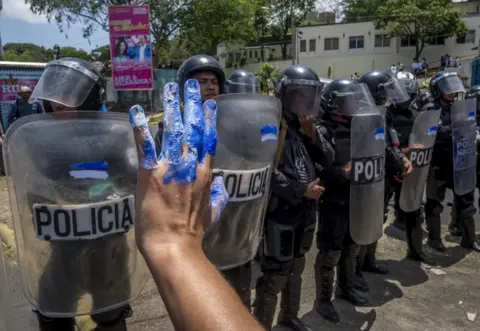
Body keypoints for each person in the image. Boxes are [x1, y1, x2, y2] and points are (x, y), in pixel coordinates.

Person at [128, 81, 264, 331]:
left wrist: (173, 240)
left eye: (213, 81)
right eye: (201, 81)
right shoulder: (174, 138)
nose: (208, 87)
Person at [24, 58, 136, 331]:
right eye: (55, 95)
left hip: (108, 247)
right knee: (51, 313)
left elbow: (132, 185)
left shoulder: (116, 136)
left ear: (90, 96)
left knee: (110, 318)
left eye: (68, 94)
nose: (57, 103)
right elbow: (33, 189)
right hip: (63, 248)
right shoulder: (40, 141)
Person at [314, 78, 410, 323]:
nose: (353, 104)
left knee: (352, 246)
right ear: (334, 103)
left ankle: (345, 288)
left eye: (355, 99)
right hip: (335, 201)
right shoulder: (323, 131)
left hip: (361, 196)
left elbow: (383, 150)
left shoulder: (365, 125)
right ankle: (323, 300)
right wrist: (341, 173)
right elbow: (317, 167)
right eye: (347, 100)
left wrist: (401, 162)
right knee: (330, 252)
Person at [253, 65, 335, 331]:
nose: (304, 101)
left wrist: (311, 133)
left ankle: (289, 316)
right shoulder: (269, 123)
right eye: (299, 94)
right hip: (281, 209)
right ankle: (260, 325)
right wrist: (300, 190)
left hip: (306, 209)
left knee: (296, 267)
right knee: (275, 274)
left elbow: (328, 159)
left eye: (308, 95)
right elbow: (265, 169)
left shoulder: (307, 124)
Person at [356, 70, 412, 286]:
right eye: (385, 91)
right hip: (365, 178)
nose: (389, 95)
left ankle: (369, 261)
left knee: (377, 219)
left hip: (382, 175)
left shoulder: (384, 113)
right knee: (361, 225)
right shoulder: (360, 113)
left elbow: (389, 142)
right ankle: (354, 272)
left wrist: (401, 159)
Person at [424, 72, 480, 253]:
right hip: (438, 162)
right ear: (437, 89)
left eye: (453, 86)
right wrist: (451, 130)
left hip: (459, 161)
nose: (452, 91)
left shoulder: (460, 106)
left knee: (466, 201)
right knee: (434, 203)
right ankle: (434, 239)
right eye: (447, 88)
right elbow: (430, 132)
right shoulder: (430, 108)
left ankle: (468, 239)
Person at [388, 71, 437, 265]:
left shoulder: (416, 114)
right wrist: (403, 151)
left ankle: (415, 251)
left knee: (414, 209)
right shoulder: (386, 115)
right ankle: (365, 263)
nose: (404, 99)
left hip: (409, 167)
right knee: (376, 213)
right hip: (389, 167)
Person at [154, 54, 225, 153]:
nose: (211, 87)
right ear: (186, 87)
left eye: (214, 82)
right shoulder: (173, 128)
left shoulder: (228, 121)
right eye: (203, 82)